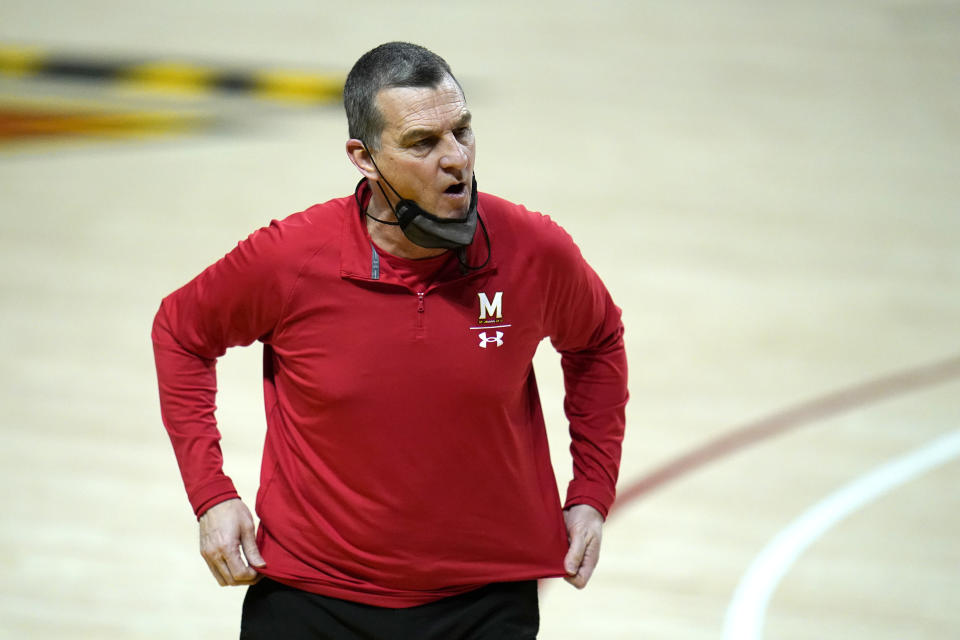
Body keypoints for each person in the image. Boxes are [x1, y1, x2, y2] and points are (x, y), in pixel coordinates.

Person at [152, 41, 628, 639]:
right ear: (365, 157)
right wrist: (211, 495)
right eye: (422, 143)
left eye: (462, 130)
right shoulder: (293, 259)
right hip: (310, 595)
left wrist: (591, 490)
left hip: (484, 599)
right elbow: (180, 330)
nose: (455, 158)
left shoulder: (533, 250)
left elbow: (598, 341)